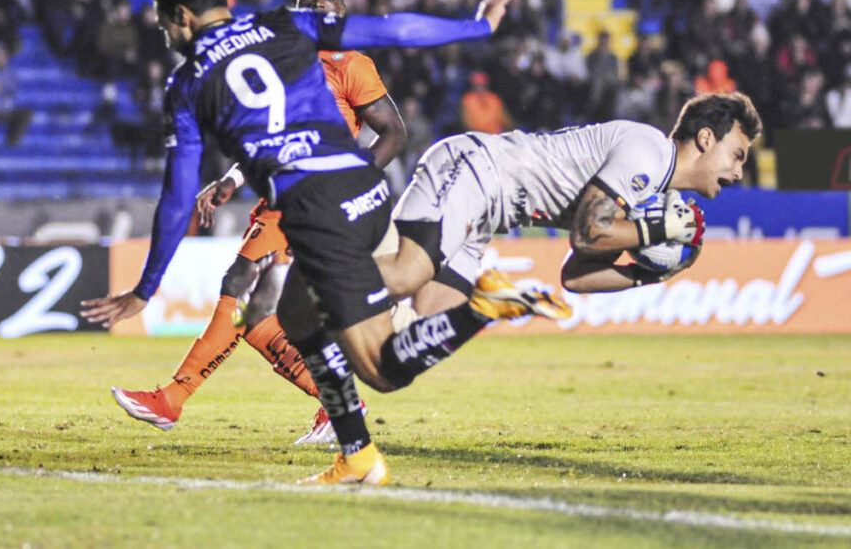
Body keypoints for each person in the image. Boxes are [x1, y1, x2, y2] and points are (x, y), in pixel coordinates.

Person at [81, 0, 528, 487]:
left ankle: (477, 310)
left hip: (313, 207)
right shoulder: (282, 25)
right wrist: (476, 25)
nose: (163, 32)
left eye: (161, 22)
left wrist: (145, 288)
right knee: (287, 317)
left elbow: (177, 200)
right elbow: (394, 29)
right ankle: (356, 453)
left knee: (378, 364)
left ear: (181, 15)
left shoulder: (188, 83)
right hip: (363, 193)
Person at [225, 91, 759, 484]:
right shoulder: (648, 153)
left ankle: (476, 310)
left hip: (486, 216)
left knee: (393, 363)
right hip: (473, 169)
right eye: (737, 155)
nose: (738, 172)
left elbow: (575, 273)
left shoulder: (649, 189)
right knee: (407, 274)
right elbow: (588, 230)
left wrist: (645, 270)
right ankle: (291, 265)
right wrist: (654, 231)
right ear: (706, 138)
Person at [107, 0, 409, 444]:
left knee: (241, 287)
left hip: (312, 199)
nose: (320, 1)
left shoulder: (351, 65)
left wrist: (350, 181)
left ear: (343, 10)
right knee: (256, 319)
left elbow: (393, 132)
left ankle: (173, 398)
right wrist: (230, 179)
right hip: (279, 197)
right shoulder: (280, 59)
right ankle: (337, 404)